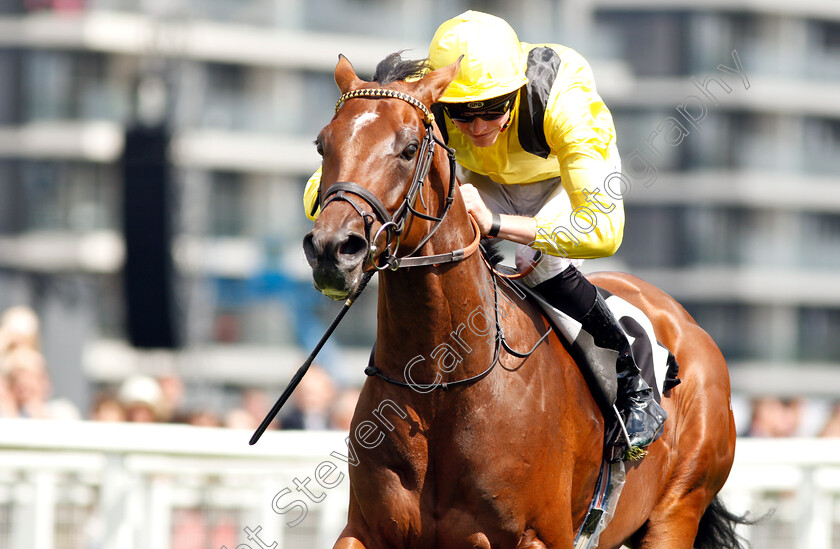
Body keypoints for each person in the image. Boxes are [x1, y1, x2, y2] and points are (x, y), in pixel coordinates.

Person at [302, 11, 665, 460]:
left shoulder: (566, 102)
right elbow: (331, 185)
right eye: (461, 114)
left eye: (492, 111)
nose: (476, 128)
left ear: (514, 93)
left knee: (539, 265)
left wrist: (496, 224)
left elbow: (603, 233)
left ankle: (633, 379)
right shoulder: (422, 94)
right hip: (480, 178)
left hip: (561, 182)